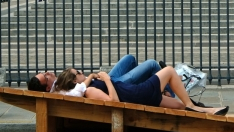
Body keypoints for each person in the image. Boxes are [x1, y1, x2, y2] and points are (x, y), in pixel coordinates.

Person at [53, 66, 228, 116]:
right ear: (74, 80)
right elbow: (114, 102)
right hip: (138, 94)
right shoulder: (89, 91)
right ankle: (193, 105)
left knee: (179, 106)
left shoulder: (90, 86)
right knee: (168, 71)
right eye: (79, 73)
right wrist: (106, 79)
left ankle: (209, 111)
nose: (82, 73)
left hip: (138, 96)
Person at [28, 54, 171, 95]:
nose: (47, 73)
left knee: (130, 58)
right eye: (45, 77)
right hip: (114, 86)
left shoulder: (58, 85)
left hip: (106, 81)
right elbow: (79, 91)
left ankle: (156, 83)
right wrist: (90, 76)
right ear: (47, 88)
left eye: (42, 73)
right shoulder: (59, 92)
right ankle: (167, 90)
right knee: (152, 64)